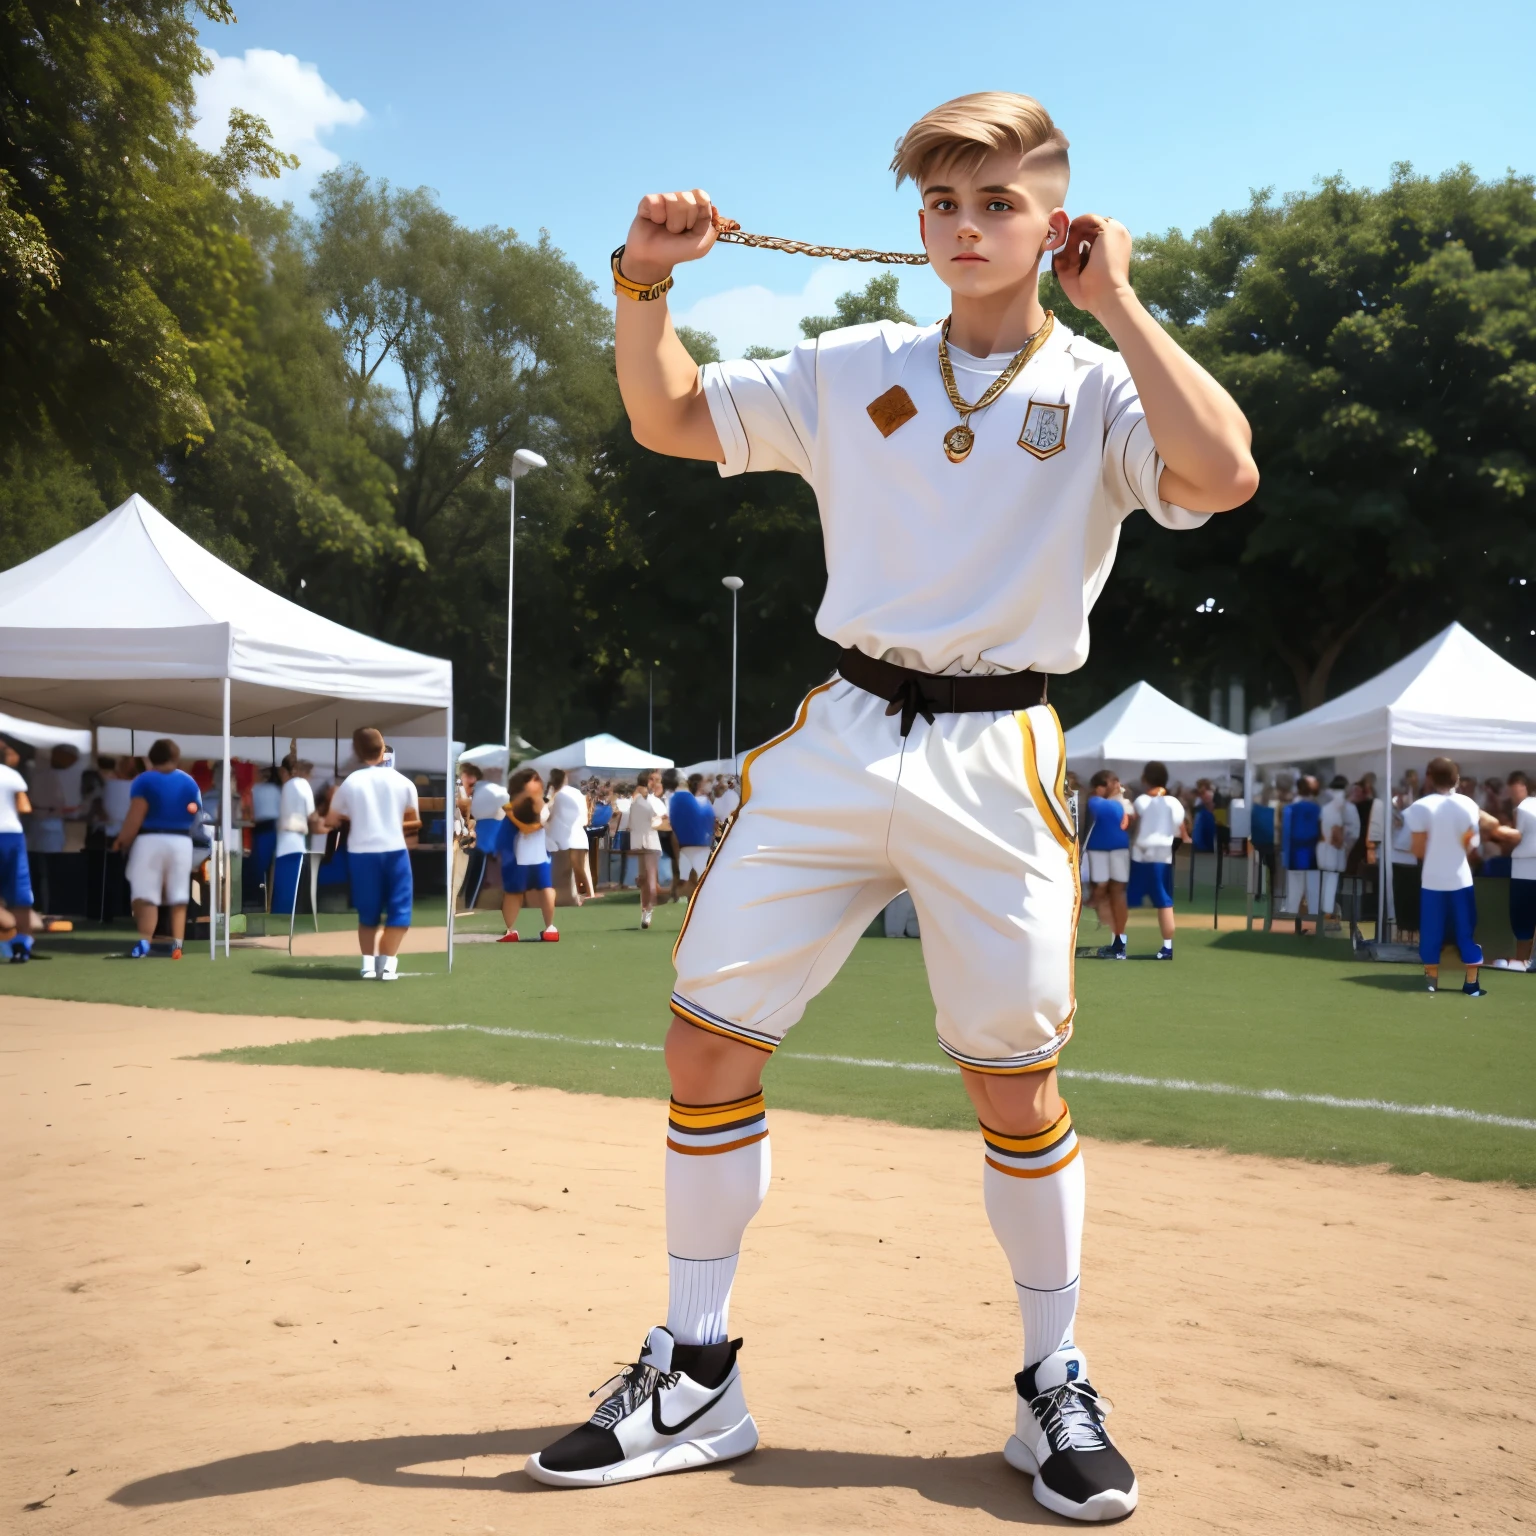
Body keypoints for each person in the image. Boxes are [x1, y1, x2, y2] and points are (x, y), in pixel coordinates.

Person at [524, 92, 1257, 1519]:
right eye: (942, 204)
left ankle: (1054, 1383)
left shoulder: (1104, 388)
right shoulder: (852, 362)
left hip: (1004, 748)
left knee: (1011, 1080)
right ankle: (696, 1369)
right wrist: (643, 282)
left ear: (1058, 222)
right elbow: (668, 415)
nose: (966, 228)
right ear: (917, 221)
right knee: (704, 1045)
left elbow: (1220, 474)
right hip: (844, 727)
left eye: (997, 204)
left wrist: (1124, 307)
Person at [1405, 756, 1514, 995]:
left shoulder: (1420, 807)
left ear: (1430, 777)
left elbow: (1418, 849)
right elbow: (1472, 844)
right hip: (1460, 879)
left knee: (1431, 931)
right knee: (1465, 931)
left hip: (1433, 880)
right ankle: (1472, 984)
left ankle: (1431, 982)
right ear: (1456, 778)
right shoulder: (1468, 805)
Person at [324, 728, 420, 980]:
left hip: (361, 852)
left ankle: (368, 965)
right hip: (394, 850)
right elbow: (413, 822)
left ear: (356, 752)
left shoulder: (350, 782)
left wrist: (348, 810)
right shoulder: (404, 783)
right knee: (400, 911)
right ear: (383, 749)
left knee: (368, 912)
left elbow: (332, 819)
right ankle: (387, 964)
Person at [112, 738, 203, 959]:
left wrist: (121, 840)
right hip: (181, 842)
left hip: (150, 840)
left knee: (146, 895)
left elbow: (136, 815)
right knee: (178, 895)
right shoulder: (189, 782)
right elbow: (196, 814)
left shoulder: (144, 781)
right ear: (176, 757)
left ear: (152, 758)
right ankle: (178, 945)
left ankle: (144, 943)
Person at [1129, 762, 1186, 960]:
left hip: (1141, 854)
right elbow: (1180, 828)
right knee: (1164, 901)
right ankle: (1167, 946)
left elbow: (1131, 824)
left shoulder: (1141, 801)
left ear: (1145, 779)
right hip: (1163, 855)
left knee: (1127, 897)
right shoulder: (1174, 803)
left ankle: (1119, 942)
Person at [496, 766, 558, 941]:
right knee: (522, 891)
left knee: (533, 890)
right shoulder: (520, 803)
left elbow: (528, 828)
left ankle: (545, 928)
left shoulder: (540, 804)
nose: (539, 783)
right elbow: (516, 816)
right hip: (527, 854)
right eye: (535, 780)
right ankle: (518, 930)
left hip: (529, 854)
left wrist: (512, 815)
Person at [1082, 769, 1129, 959]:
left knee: (1109, 893)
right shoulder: (1109, 804)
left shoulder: (1106, 804)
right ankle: (1118, 943)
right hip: (1109, 852)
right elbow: (1121, 820)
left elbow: (1122, 821)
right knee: (1111, 893)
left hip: (1108, 852)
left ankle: (1118, 943)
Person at [1493, 770, 1536, 971]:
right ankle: (1523, 962)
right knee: (1523, 923)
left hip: (1524, 872)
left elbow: (1515, 838)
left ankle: (1521, 963)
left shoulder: (1524, 808)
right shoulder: (1523, 807)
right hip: (1523, 870)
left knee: (1523, 923)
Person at [0, 742, 37, 960]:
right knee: (19, 889)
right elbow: (24, 807)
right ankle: (23, 941)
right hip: (12, 834)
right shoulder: (12, 775)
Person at [272, 759, 321, 916]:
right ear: (306, 772)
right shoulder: (303, 785)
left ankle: (279, 915)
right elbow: (311, 814)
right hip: (295, 840)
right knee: (291, 885)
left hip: (283, 839)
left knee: (281, 883)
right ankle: (286, 918)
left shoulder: (287, 786)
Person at [460, 762, 509, 910]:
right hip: (482, 845)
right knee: (475, 879)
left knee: (471, 879)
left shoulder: (483, 791)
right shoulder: (490, 791)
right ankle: (469, 906)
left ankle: (468, 905)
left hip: (482, 843)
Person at [1314, 775, 1359, 931]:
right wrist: (1346, 845)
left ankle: (1325, 916)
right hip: (1337, 850)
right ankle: (1329, 916)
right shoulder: (1349, 808)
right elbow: (1354, 833)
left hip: (1325, 850)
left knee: (1326, 882)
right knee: (1333, 882)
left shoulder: (1325, 809)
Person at [1280, 774, 1323, 935]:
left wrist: (1285, 855)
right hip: (1313, 852)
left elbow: (1286, 834)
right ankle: (1313, 926)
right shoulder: (1317, 808)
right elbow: (1321, 831)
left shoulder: (1290, 809)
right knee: (1313, 890)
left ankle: (1291, 924)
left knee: (1294, 890)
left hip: (1294, 853)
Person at [627, 767, 668, 929]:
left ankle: (649, 911)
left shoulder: (653, 801)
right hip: (639, 842)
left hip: (650, 842)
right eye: (651, 780)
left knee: (650, 882)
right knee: (644, 881)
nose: (654, 783)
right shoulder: (637, 799)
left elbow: (663, 819)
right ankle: (645, 912)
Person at [546, 767, 592, 906]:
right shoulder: (577, 793)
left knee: (559, 872)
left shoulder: (553, 794)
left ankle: (563, 898)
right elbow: (585, 820)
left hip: (557, 838)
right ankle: (589, 895)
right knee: (582, 869)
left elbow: (546, 814)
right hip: (579, 836)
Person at [669, 773, 718, 898]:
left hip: (686, 844)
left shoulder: (679, 800)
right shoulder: (703, 802)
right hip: (699, 844)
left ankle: (685, 896)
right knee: (697, 877)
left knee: (689, 876)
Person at [248, 766, 282, 907]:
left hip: (265, 828)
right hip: (267, 828)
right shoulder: (273, 790)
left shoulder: (257, 789)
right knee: (264, 866)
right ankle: (262, 899)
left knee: (259, 865)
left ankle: (256, 898)